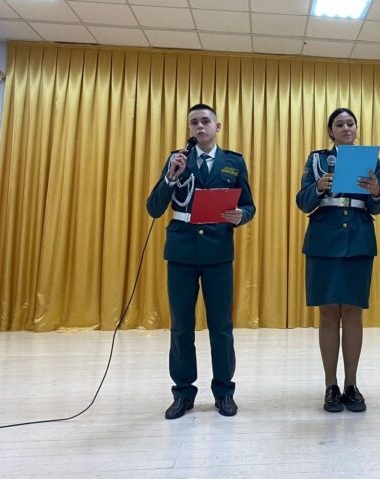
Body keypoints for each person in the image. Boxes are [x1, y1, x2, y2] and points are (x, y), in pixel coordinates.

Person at [146, 104, 256, 419]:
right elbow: (154, 208)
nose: (199, 126)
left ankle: (224, 392)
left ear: (217, 127)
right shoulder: (177, 160)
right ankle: (183, 393)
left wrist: (241, 215)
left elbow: (249, 205)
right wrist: (170, 177)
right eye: (193, 122)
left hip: (218, 252)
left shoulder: (233, 162)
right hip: (181, 251)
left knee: (221, 326)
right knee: (181, 326)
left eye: (205, 121)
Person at [296, 108, 380, 413]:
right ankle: (330, 386)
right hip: (324, 241)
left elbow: (378, 207)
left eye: (350, 123)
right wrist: (317, 187)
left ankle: (351, 384)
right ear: (330, 131)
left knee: (353, 313)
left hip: (358, 240)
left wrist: (376, 192)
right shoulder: (317, 160)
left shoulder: (370, 160)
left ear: (356, 129)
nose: (346, 128)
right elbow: (302, 202)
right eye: (340, 124)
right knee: (327, 313)